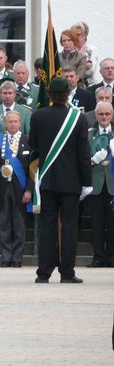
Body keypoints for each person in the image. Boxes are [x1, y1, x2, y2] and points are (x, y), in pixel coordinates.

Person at [30, 77, 92, 284]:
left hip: (48, 179)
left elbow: (33, 145)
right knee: (69, 226)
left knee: (47, 226)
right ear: (67, 95)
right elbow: (84, 153)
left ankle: (43, 273)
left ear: (49, 95)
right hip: (71, 181)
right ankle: (67, 273)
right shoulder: (78, 118)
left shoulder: (38, 116)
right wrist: (87, 182)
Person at [0, 111, 32, 267]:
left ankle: (17, 258)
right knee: (3, 223)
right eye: (10, 121)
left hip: (21, 188)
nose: (12, 124)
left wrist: (29, 190)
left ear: (20, 122)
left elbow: (33, 168)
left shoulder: (28, 140)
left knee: (19, 224)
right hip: (2, 187)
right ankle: (6, 257)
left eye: (15, 121)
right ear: (5, 123)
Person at [86, 101, 114, 267]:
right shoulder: (89, 134)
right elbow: (81, 157)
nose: (104, 117)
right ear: (96, 116)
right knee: (96, 223)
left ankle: (111, 256)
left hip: (112, 183)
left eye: (107, 114)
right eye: (101, 114)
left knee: (112, 222)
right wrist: (92, 160)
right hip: (95, 183)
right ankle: (98, 257)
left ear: (112, 115)